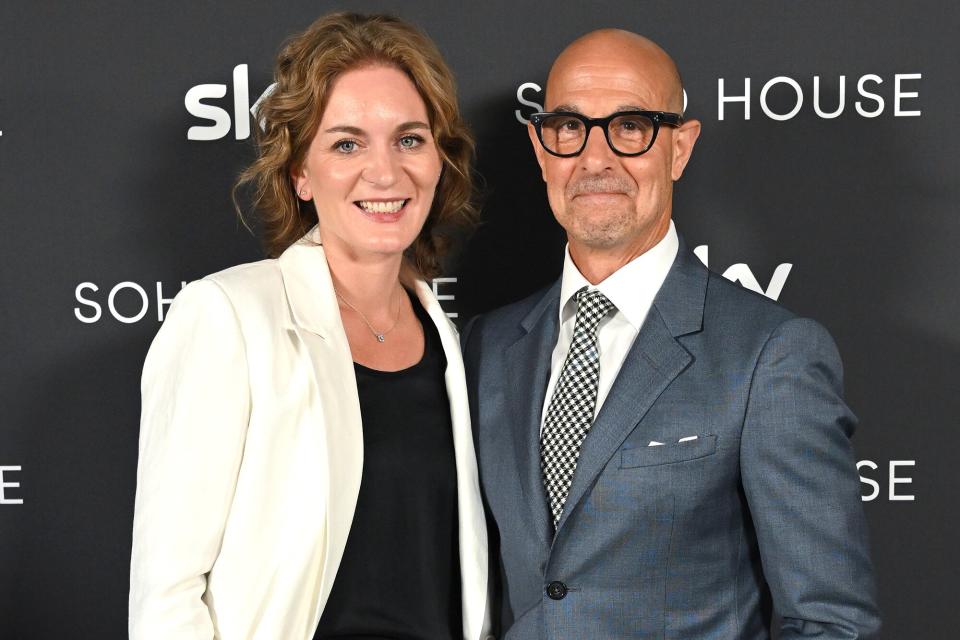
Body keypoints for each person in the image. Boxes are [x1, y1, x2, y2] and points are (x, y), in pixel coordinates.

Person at [462, 29, 880, 639]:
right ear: (540, 147)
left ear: (680, 149)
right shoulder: (486, 347)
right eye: (570, 127)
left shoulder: (770, 355)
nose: (595, 159)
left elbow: (830, 621)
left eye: (630, 126)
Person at [129, 13, 491, 640]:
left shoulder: (449, 342)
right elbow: (167, 598)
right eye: (347, 143)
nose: (384, 173)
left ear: (439, 160)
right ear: (299, 172)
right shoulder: (229, 317)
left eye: (409, 139)